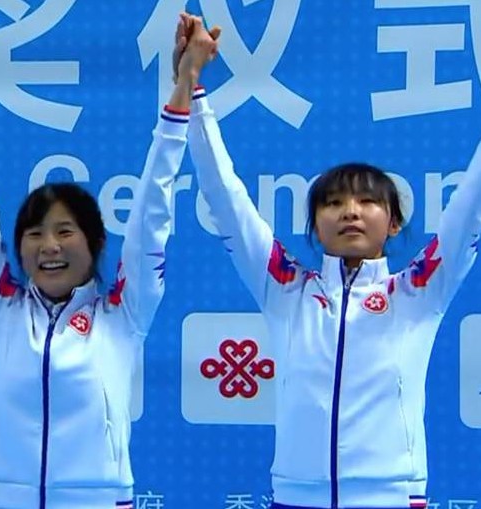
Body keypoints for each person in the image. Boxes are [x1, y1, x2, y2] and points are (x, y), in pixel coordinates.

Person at [180, 14, 481, 509]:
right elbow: (224, 194)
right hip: (295, 496)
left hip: (390, 496)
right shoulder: (286, 288)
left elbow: (471, 203)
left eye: (368, 202)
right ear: (316, 226)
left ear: (394, 222)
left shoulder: (417, 291)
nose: (350, 212)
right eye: (333, 203)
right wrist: (191, 89)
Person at [0, 10, 219, 509]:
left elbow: (152, 211)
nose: (49, 246)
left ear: (94, 242)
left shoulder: (124, 312)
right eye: (34, 234)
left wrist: (185, 82)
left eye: (65, 232)